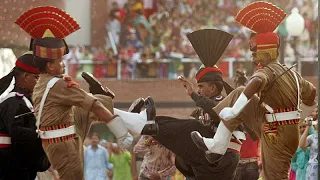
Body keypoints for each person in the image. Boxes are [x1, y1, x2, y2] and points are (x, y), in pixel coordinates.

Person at [191, 2, 317, 179]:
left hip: (276, 132)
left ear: (264, 52)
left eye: (255, 52)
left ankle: (218, 143)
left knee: (275, 177)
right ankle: (218, 144)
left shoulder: (267, 71)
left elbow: (257, 82)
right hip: (279, 127)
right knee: (237, 93)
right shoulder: (294, 74)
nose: (253, 56)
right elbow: (312, 94)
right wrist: (304, 110)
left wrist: (234, 111)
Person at [15, 6, 133, 180]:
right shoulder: (60, 85)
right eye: (60, 61)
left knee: (97, 102)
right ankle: (133, 121)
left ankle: (132, 117)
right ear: (50, 66)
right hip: (63, 142)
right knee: (94, 103)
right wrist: (121, 132)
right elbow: (94, 105)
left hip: (58, 135)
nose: (64, 64)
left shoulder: (42, 82)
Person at [114, 29, 245, 180]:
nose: (199, 91)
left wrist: (193, 95)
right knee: (185, 127)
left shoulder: (225, 104)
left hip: (223, 158)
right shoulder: (201, 111)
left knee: (191, 128)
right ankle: (149, 125)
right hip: (206, 163)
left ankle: (148, 124)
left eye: (201, 87)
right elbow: (179, 128)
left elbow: (216, 112)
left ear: (213, 88)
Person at [0, 51, 53, 180]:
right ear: (25, 77)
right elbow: (17, 133)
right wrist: (46, 133)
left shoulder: (26, 102)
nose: (41, 84)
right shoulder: (14, 101)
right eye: (37, 78)